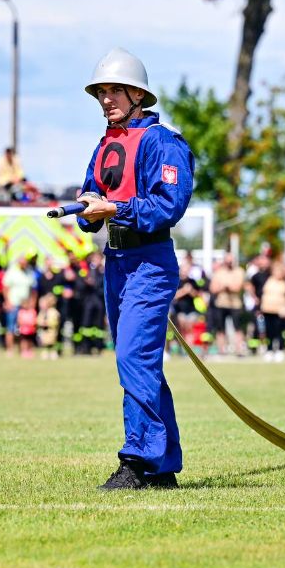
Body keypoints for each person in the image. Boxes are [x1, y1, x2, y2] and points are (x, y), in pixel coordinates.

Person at [74, 47, 194, 490]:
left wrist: (116, 208)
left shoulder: (163, 143)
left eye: (114, 91)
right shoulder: (105, 143)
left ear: (137, 95)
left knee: (133, 359)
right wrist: (87, 210)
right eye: (101, 92)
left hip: (150, 262)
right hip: (116, 261)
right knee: (139, 364)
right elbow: (92, 197)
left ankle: (138, 461)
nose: (106, 99)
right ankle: (163, 467)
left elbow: (169, 206)